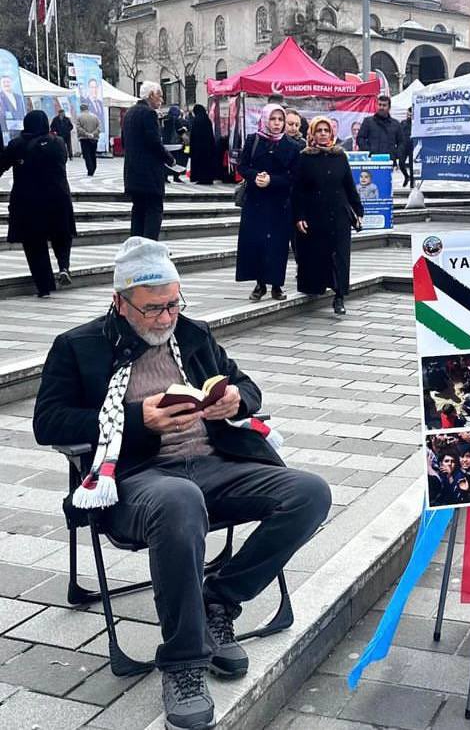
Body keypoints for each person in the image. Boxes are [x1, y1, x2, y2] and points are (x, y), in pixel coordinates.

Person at [32, 237, 331, 730]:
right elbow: (50, 422)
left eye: (173, 304)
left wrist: (236, 400)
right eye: (152, 309)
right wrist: (135, 420)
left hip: (215, 464)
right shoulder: (78, 346)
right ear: (119, 302)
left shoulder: (193, 336)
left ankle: (220, 599)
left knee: (310, 492)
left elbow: (247, 386)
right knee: (179, 500)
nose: (165, 318)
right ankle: (184, 663)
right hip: (134, 479)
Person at [293, 116, 364, 315]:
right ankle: (314, 287)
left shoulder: (340, 155)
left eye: (326, 130)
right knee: (316, 253)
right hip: (315, 214)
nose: (323, 134)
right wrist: (299, 216)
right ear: (312, 134)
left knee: (340, 256)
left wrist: (359, 211)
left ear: (332, 134)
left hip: (338, 214)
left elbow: (349, 185)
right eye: (319, 130)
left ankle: (339, 296)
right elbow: (298, 190)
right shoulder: (305, 157)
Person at [0, 110, 75, 297]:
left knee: (34, 243)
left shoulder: (18, 145)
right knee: (62, 234)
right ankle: (64, 266)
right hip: (58, 197)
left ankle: (44, 287)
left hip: (28, 202)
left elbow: (2, 164)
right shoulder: (58, 143)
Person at [236, 104, 300, 302]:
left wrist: (272, 180)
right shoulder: (253, 140)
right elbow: (242, 166)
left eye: (280, 120)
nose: (277, 124)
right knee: (257, 243)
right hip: (256, 201)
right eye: (273, 119)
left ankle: (276, 285)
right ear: (265, 120)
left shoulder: (291, 146)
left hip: (279, 203)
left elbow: (293, 176)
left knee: (278, 244)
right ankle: (260, 284)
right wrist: (255, 177)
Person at [122, 81, 175, 240]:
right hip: (149, 175)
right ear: (151, 95)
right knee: (153, 211)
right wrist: (169, 159)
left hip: (132, 173)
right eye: (160, 95)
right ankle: (149, 249)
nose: (162, 100)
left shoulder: (130, 113)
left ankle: (136, 248)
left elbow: (125, 142)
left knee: (138, 212)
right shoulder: (149, 114)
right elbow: (154, 142)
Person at [356, 95, 402, 161]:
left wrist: (395, 155)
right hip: (371, 161)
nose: (381, 107)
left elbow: (401, 142)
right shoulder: (368, 122)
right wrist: (369, 151)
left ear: (389, 107)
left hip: (389, 161)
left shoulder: (396, 124)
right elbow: (360, 138)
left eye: (384, 105)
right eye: (379, 105)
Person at [188, 104, 218, 185]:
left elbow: (193, 135)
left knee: (200, 164)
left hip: (198, 148)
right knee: (207, 163)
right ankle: (208, 178)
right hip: (208, 147)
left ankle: (201, 178)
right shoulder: (207, 119)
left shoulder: (196, 120)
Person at [162, 105, 188, 182]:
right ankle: (176, 177)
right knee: (177, 160)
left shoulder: (164, 119)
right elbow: (181, 133)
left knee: (166, 160)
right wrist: (186, 142)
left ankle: (165, 177)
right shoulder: (176, 120)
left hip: (165, 143)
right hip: (175, 145)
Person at [76, 103, 101, 176]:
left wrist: (86, 134)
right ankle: (94, 167)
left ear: (81, 109)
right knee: (93, 154)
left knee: (87, 155)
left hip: (84, 138)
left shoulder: (79, 117)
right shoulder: (95, 117)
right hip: (94, 138)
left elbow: (78, 127)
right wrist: (93, 134)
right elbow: (99, 127)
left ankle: (90, 169)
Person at [400, 107, 414, 188]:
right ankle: (406, 176)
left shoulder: (416, 124)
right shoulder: (403, 122)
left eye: (410, 115)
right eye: (408, 114)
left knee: (412, 166)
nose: (408, 116)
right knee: (401, 163)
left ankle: (412, 181)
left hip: (412, 146)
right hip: (404, 146)